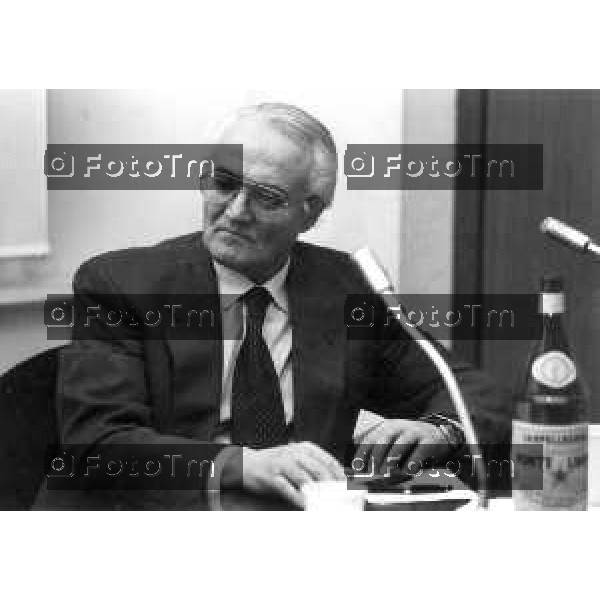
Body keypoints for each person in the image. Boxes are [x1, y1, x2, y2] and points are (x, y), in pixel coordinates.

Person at [34, 102, 510, 510]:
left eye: (266, 198)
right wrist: (244, 465)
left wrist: (441, 430)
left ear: (310, 213)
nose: (236, 211)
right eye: (224, 183)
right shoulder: (121, 284)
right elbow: (98, 442)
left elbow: (463, 387)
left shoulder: (345, 286)